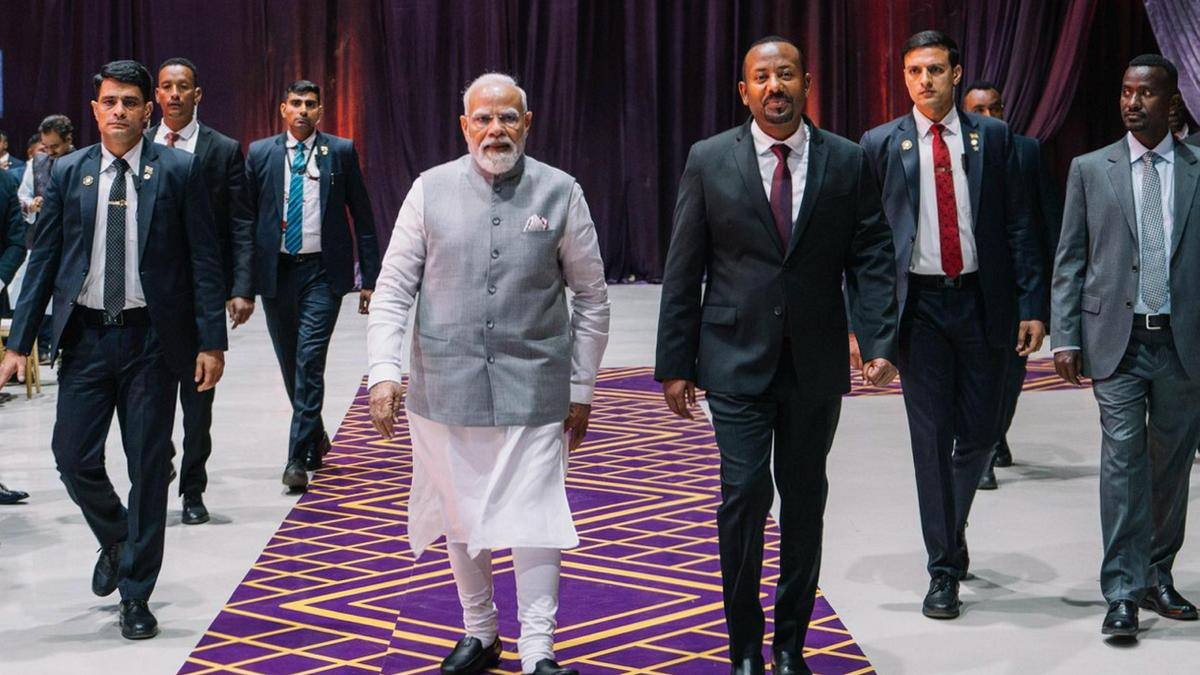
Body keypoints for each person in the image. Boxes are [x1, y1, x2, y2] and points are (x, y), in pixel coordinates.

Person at [656, 37, 898, 675]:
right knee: (743, 495)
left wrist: (878, 340)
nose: (774, 87)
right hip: (733, 357)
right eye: (761, 77)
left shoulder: (846, 160)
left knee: (805, 498)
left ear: (806, 83)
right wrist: (675, 362)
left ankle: (791, 644)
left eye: (785, 74)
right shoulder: (709, 158)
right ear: (744, 92)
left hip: (815, 361)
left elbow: (872, 254)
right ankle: (744, 647)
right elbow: (684, 266)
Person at [367, 72, 609, 675]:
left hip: (537, 385)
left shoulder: (561, 191)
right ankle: (480, 632)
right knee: (460, 512)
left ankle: (538, 650)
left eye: (507, 118)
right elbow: (393, 288)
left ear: (527, 124)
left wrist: (581, 387)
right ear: (464, 126)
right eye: (483, 118)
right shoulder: (428, 190)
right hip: (444, 385)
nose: (495, 129)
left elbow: (592, 296)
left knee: (536, 513)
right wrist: (383, 371)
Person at [0, 60, 227, 639]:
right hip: (86, 337)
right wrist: (19, 343)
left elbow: (204, 259)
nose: (119, 111)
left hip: (153, 340)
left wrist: (211, 341)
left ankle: (136, 592)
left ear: (148, 110)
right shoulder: (68, 171)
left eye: (130, 101)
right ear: (95, 110)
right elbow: (44, 258)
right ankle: (119, 536)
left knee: (148, 466)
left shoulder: (179, 170)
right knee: (72, 455)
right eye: (109, 101)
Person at [859, 31, 1047, 619]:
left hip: (983, 302)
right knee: (931, 440)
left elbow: (1020, 224)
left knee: (983, 435)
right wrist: (868, 329)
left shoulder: (993, 137)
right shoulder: (880, 143)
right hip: (919, 310)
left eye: (936, 69)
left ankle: (951, 525)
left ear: (956, 73)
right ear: (905, 77)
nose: (925, 81)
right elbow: (866, 244)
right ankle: (942, 569)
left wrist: (1033, 304)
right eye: (915, 71)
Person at [1052, 54, 1200, 639]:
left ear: (1172, 102)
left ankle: (1157, 575)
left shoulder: (1196, 168)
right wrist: (1066, 335)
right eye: (1125, 92)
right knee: (1122, 462)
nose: (1132, 103)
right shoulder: (1091, 168)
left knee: (1171, 467)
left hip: (1184, 343)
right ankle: (1121, 591)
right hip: (1117, 339)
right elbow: (1070, 258)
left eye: (1145, 94)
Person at [246, 80, 380, 491]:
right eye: (296, 103)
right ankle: (315, 434)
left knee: (309, 360)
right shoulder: (261, 153)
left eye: (310, 104)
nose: (302, 110)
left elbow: (363, 215)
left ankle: (296, 458)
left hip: (323, 272)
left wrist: (370, 279)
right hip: (278, 272)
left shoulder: (339, 151)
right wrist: (242, 284)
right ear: (283, 109)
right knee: (291, 364)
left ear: (320, 110)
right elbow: (246, 220)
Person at [148, 57, 255, 524]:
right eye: (166, 86)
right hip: (148, 297)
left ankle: (193, 488)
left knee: (197, 405)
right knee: (148, 403)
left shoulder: (222, 149)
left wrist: (241, 286)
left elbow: (240, 222)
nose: (174, 94)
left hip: (200, 294)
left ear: (197, 94)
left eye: (183, 86)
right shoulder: (140, 146)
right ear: (156, 95)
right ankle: (161, 462)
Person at [962, 81, 1063, 488]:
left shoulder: (1027, 150)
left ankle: (994, 435)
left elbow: (1045, 220)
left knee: (1009, 375)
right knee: (972, 376)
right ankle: (982, 452)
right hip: (965, 286)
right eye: (979, 111)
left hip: (1015, 287)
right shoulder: (950, 149)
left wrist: (1042, 296)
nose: (989, 117)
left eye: (996, 108)